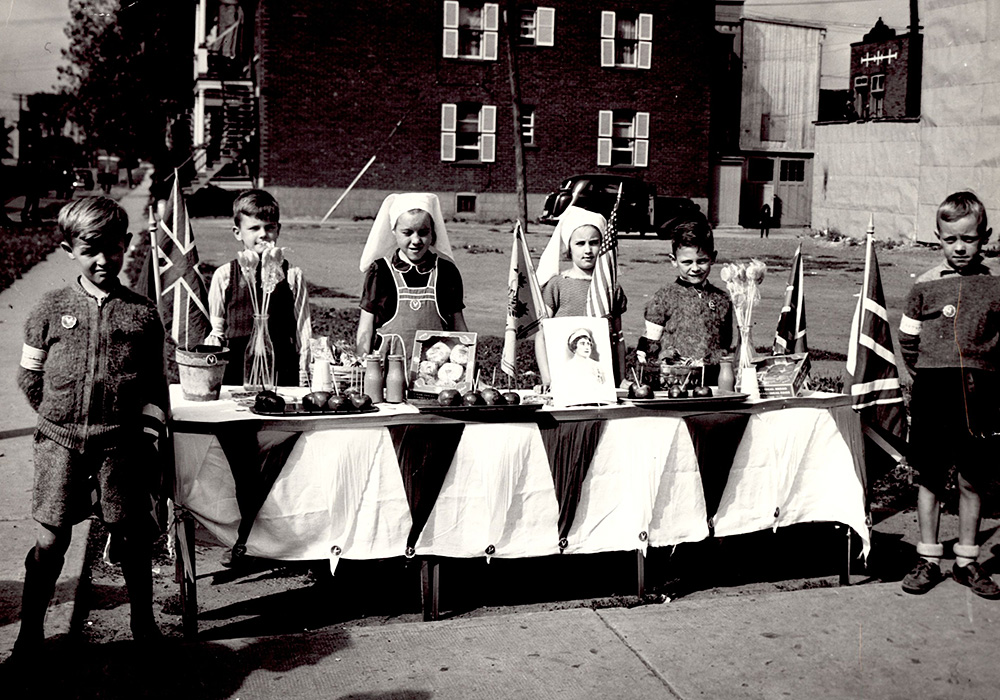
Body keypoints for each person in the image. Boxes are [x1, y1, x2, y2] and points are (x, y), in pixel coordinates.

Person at [11, 197, 168, 662]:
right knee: (50, 539)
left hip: (119, 447)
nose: (103, 260)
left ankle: (144, 626)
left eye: (113, 249)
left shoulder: (141, 314)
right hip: (59, 444)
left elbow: (155, 385)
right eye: (90, 249)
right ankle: (29, 635)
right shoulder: (49, 308)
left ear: (126, 246)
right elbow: (28, 374)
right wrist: (57, 417)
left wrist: (145, 433)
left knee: (131, 536)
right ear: (68, 249)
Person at [898, 191, 1000, 599]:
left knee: (972, 477)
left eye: (969, 239)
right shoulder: (924, 287)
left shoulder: (994, 287)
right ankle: (928, 558)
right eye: (950, 239)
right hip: (934, 389)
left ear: (985, 237)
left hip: (980, 391)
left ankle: (967, 561)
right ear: (937, 238)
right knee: (931, 474)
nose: (960, 248)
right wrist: (923, 371)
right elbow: (908, 338)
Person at [203, 189, 311, 387]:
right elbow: (216, 331)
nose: (263, 235)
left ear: (278, 229)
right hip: (236, 368)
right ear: (238, 233)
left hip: (281, 368)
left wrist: (305, 370)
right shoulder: (225, 275)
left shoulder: (293, 275)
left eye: (269, 227)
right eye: (254, 228)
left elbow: (303, 329)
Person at [356, 193, 467, 361]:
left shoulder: (446, 271)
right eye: (407, 233)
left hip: (434, 374)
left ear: (433, 233)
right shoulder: (381, 271)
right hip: (388, 368)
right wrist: (361, 363)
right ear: (394, 231)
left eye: (423, 232)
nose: (416, 240)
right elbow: (366, 327)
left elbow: (457, 324)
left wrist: (467, 359)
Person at [535, 206, 627, 385]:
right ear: (568, 248)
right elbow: (542, 336)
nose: (587, 250)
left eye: (594, 242)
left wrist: (621, 378)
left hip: (601, 375)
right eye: (580, 243)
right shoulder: (558, 284)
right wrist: (547, 379)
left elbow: (618, 336)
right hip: (563, 373)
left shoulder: (611, 288)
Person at [636, 212, 733, 382]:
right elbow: (649, 344)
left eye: (701, 261)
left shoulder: (722, 299)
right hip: (672, 381)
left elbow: (725, 343)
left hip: (712, 380)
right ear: (674, 260)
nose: (695, 268)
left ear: (713, 258)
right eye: (687, 262)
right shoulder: (664, 297)